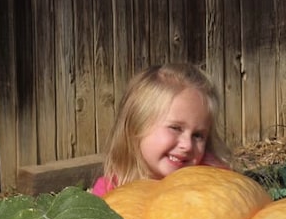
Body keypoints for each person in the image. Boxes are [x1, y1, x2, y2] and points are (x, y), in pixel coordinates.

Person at [91, 63, 231, 196]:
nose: (187, 145)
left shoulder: (214, 182)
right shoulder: (109, 191)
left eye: (198, 135)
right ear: (136, 125)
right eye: (175, 128)